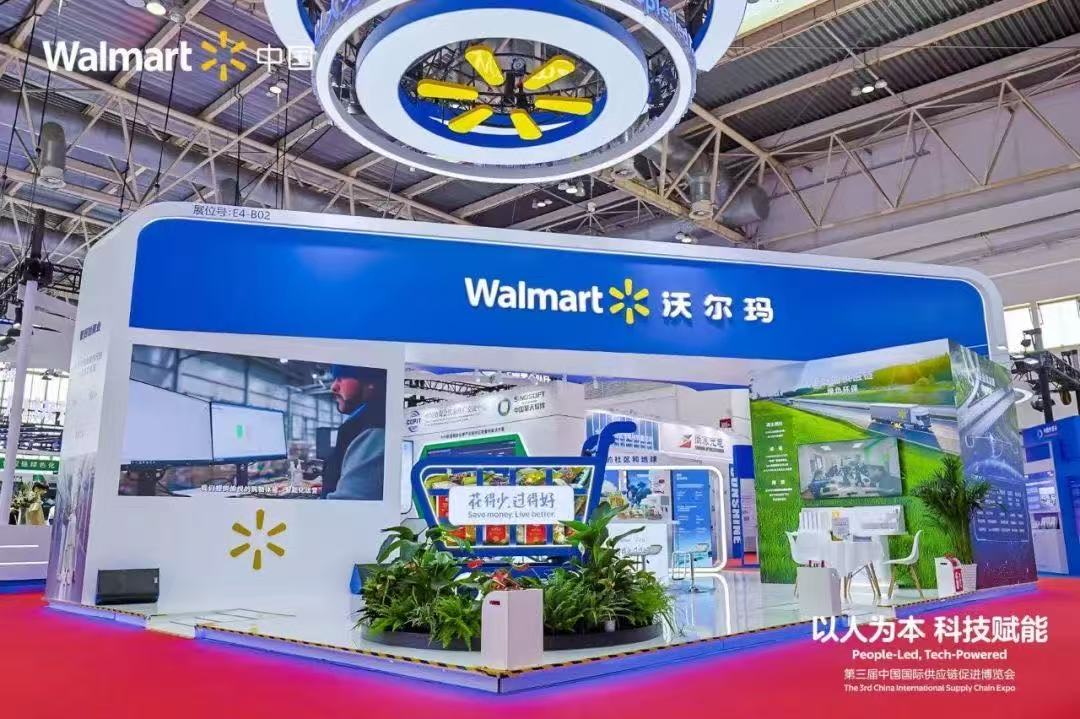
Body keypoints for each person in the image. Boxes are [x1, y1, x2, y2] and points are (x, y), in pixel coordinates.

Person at [320, 364, 386, 500]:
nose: (333, 387)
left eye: (341, 378)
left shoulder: (375, 431)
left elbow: (346, 505)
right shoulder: (361, 423)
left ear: (369, 381)